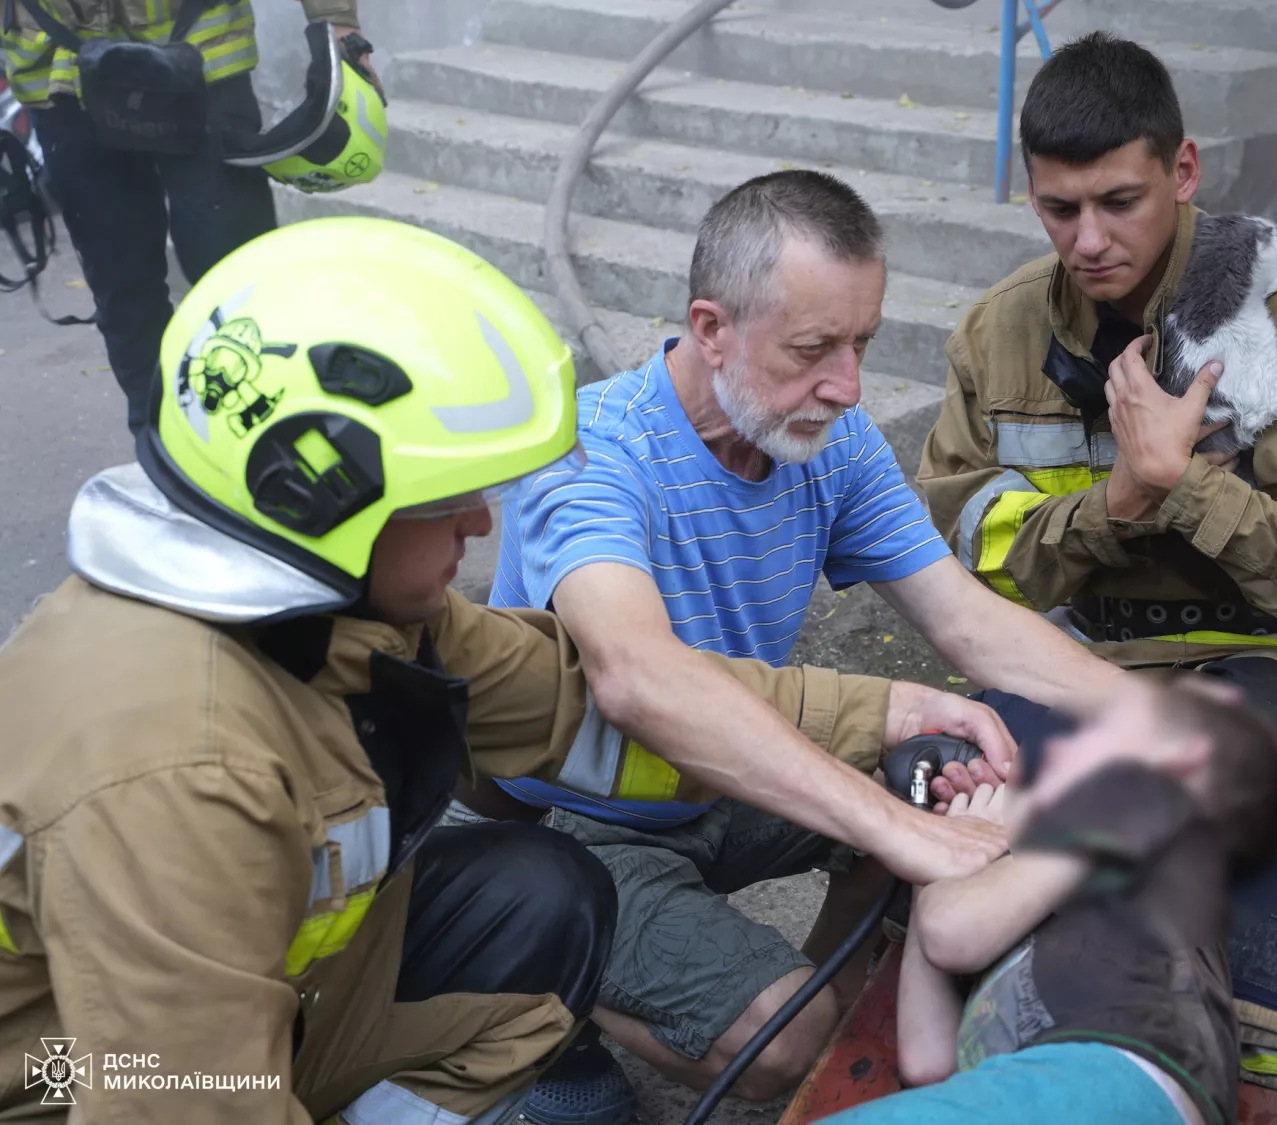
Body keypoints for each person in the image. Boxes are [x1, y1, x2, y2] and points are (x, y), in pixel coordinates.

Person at [0, 217, 1012, 1124]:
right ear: (321, 498)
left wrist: (886, 709)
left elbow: (579, 705)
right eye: (447, 500)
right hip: (71, 1075)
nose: (482, 523)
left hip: (266, 1006)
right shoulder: (175, 761)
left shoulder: (349, 609)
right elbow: (177, 1099)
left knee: (541, 899)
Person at [482, 169, 1130, 1124]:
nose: (849, 385)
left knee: (932, 770)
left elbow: (963, 617)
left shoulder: (830, 437)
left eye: (861, 343)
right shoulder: (591, 453)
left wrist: (1162, 720)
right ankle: (529, 1001)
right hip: (584, 818)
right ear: (711, 328)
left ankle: (829, 994)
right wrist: (899, 832)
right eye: (815, 348)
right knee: (780, 1031)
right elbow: (637, 678)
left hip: (725, 780)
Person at [916, 32, 1277, 803]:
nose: (1088, 241)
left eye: (1119, 203)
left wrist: (1184, 484)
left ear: (1183, 171)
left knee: (1214, 822)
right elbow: (966, 557)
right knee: (965, 805)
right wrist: (1118, 506)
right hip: (1083, 648)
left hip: (1271, 654)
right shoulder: (996, 335)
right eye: (1059, 208)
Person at [823, 676, 1277, 1125]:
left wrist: (963, 842)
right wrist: (943, 855)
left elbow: (952, 933)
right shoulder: (1043, 886)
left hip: (1108, 1083)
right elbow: (928, 1061)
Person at [0, 0, 377, 435]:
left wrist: (338, 23)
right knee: (123, 290)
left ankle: (275, 443)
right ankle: (164, 448)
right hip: (58, 72)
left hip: (200, 50)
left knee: (237, 280)